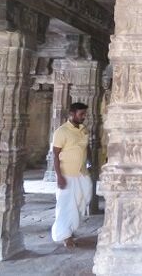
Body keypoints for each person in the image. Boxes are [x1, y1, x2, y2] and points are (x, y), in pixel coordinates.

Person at [51, 102, 93, 248]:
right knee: (66, 205)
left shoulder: (83, 130)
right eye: (81, 114)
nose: (84, 117)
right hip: (66, 174)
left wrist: (90, 161)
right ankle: (65, 235)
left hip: (82, 173)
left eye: (85, 114)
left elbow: (87, 147)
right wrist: (59, 176)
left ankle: (70, 227)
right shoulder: (61, 132)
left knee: (83, 199)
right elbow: (55, 155)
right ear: (72, 114)